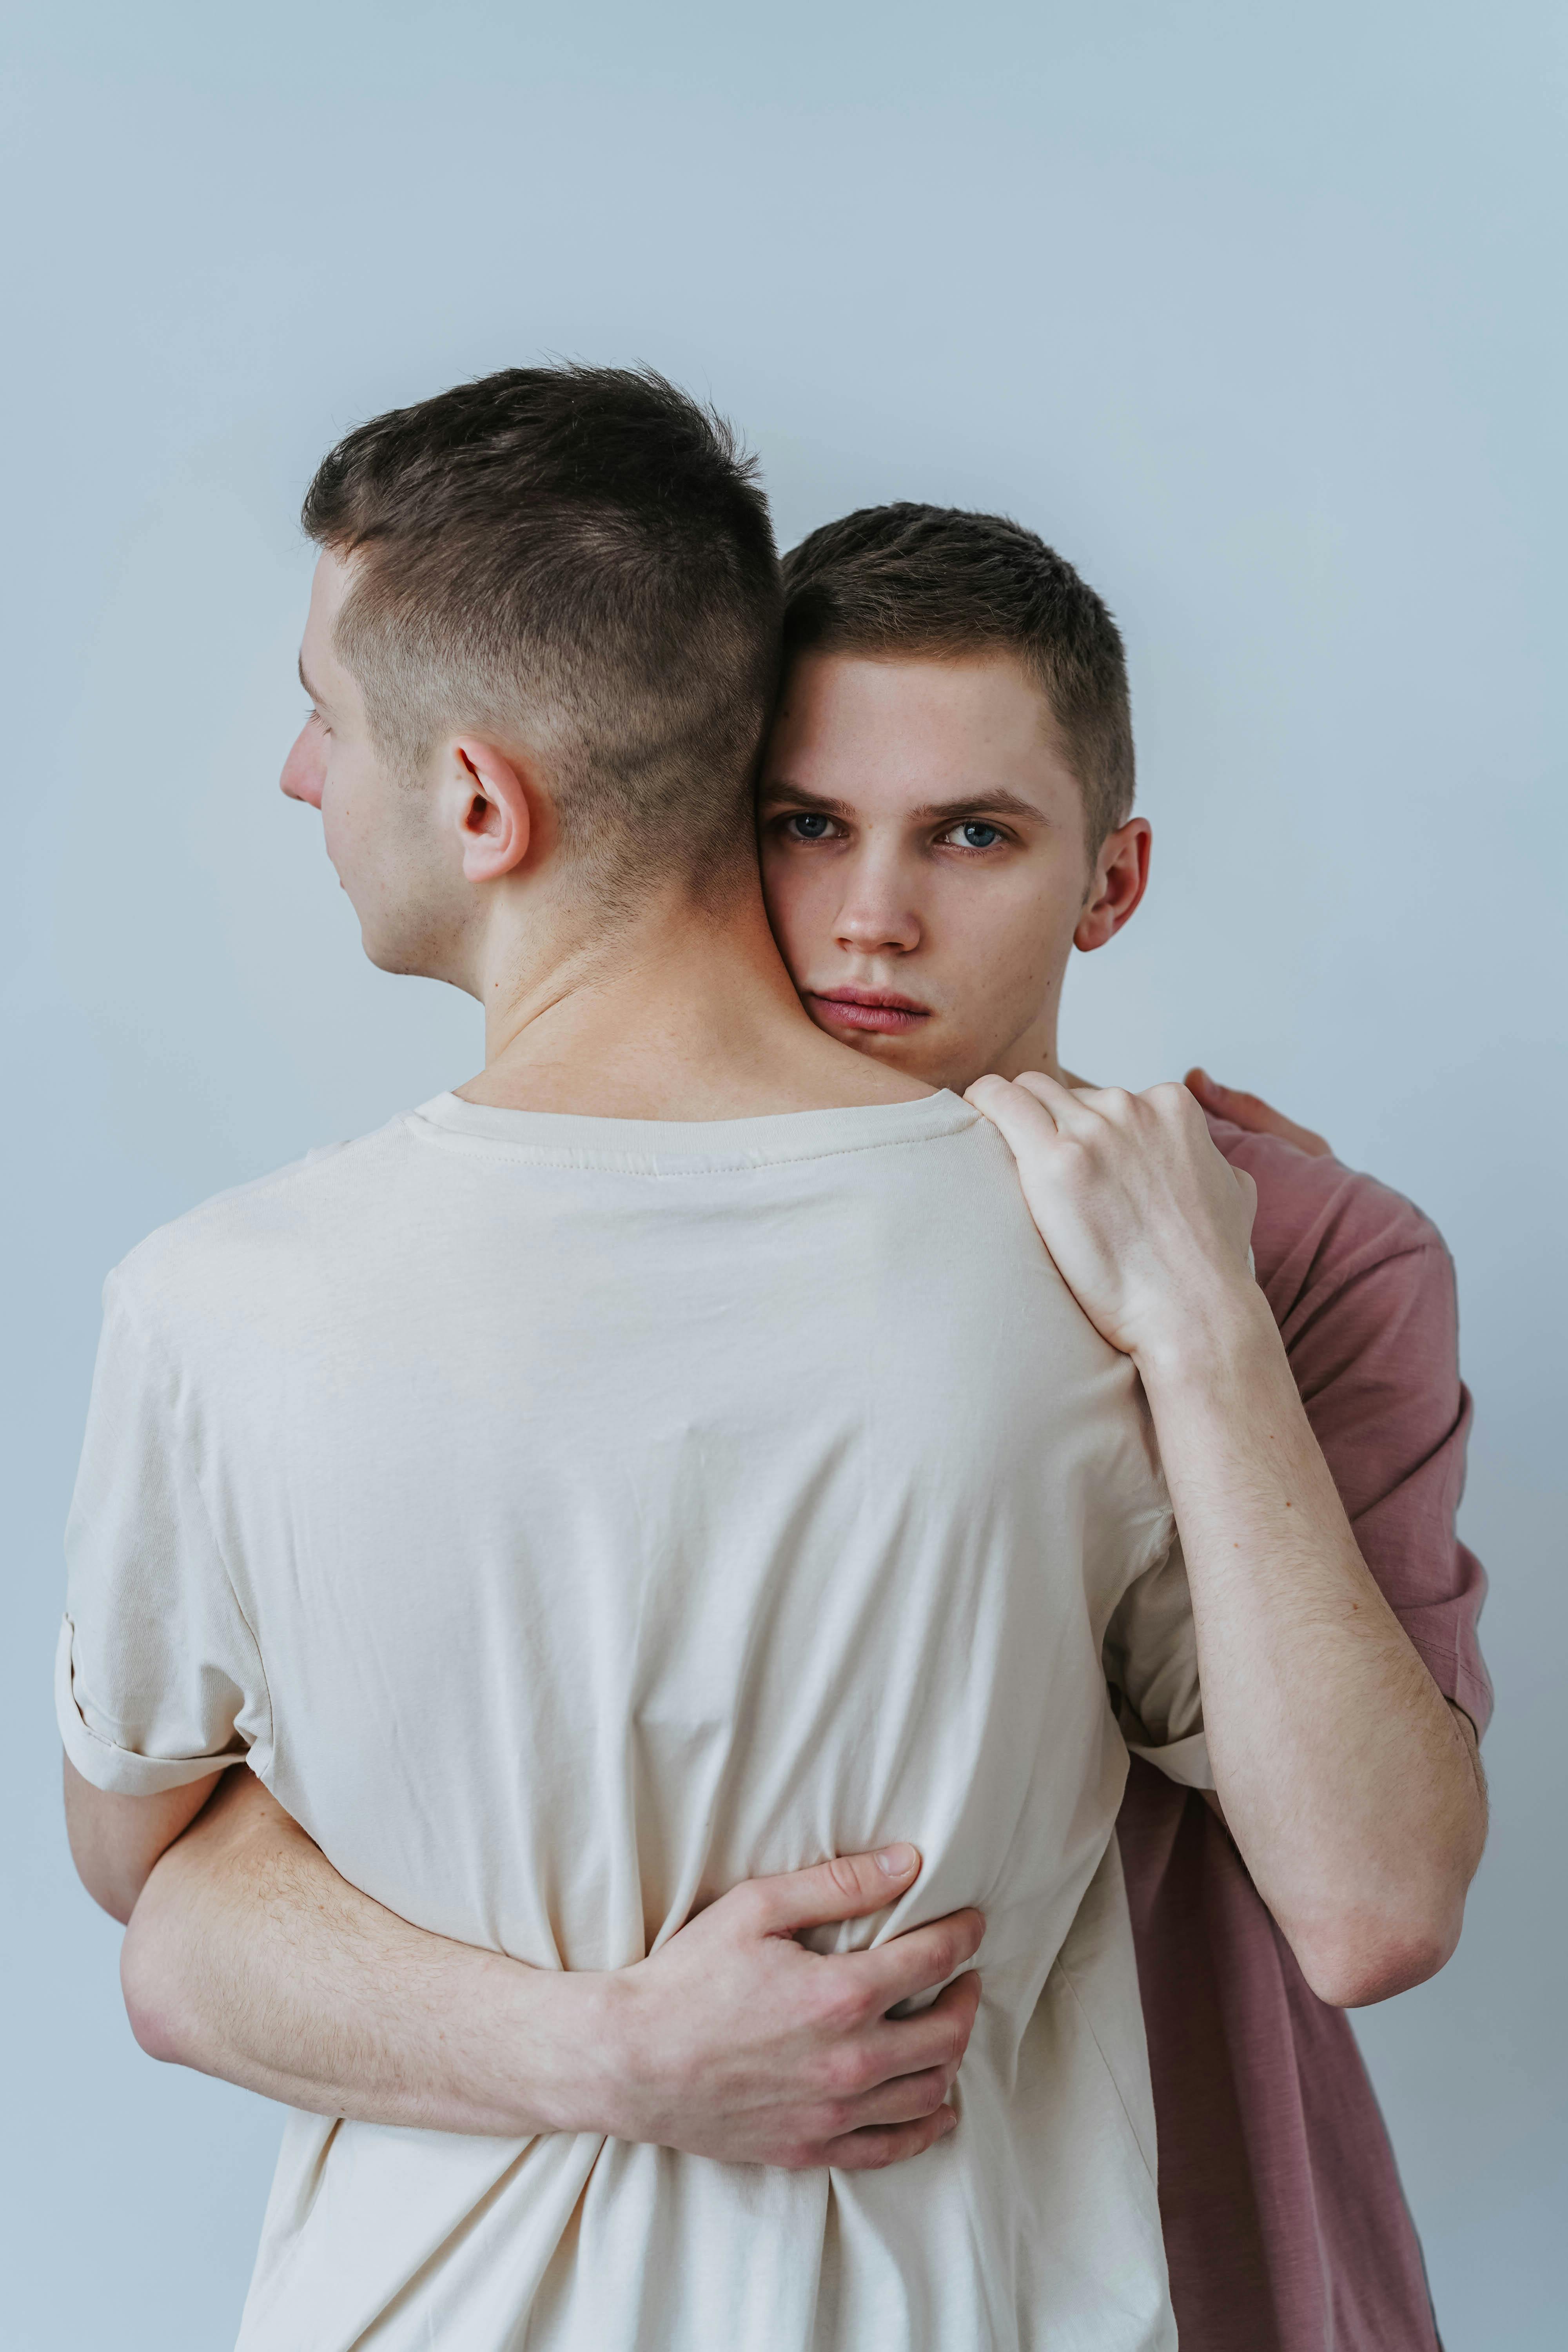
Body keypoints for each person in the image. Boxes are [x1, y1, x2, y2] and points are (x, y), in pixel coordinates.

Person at [58, 377, 1484, 2352]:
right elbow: (184, 1931)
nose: (873, 918)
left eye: (971, 835)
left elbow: (1375, 1905)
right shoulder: (290, 1296)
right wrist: (617, 2049)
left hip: (1161, 2226)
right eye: (806, 826)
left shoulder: (1239, 1255)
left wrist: (1205, 1319)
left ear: (1110, 877)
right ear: (711, 809)